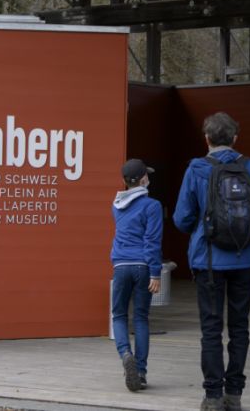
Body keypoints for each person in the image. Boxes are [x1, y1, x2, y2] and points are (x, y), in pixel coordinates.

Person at [173, 112, 250, 411]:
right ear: (235, 138)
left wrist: (204, 223)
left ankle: (212, 396)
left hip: (207, 261)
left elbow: (182, 220)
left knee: (211, 329)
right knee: (239, 328)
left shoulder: (196, 169)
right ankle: (234, 395)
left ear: (206, 139)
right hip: (245, 260)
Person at [111, 159, 162, 392]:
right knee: (141, 318)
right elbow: (152, 241)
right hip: (142, 265)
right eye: (147, 176)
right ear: (143, 179)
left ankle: (125, 354)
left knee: (119, 315)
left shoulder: (116, 205)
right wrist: (155, 272)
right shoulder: (152, 206)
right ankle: (140, 372)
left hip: (121, 265)